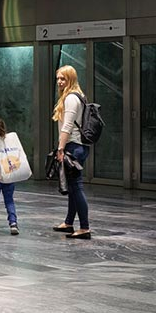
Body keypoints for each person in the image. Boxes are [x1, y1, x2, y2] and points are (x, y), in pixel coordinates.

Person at [52, 65, 92, 239]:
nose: (60, 82)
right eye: (58, 78)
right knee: (73, 187)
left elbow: (67, 126)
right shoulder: (78, 96)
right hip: (78, 146)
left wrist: (60, 148)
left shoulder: (70, 99)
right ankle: (69, 222)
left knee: (76, 186)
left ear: (71, 79)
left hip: (72, 147)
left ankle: (84, 227)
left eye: (63, 78)